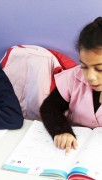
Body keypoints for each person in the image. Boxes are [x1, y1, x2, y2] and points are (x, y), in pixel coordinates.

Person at [40, 17, 102, 155]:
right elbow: (49, 108)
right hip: (75, 150)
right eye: (84, 66)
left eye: (99, 69)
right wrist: (61, 131)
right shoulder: (73, 78)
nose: (90, 77)